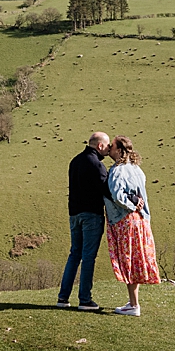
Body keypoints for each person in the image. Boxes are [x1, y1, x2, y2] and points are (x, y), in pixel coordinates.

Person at [102, 135, 160, 316]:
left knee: (128, 259)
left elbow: (117, 195)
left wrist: (130, 204)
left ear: (119, 151)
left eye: (112, 147)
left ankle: (134, 305)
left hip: (124, 219)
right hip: (140, 220)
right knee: (135, 258)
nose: (109, 149)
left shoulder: (117, 170)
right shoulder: (137, 169)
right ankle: (133, 302)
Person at [57, 131, 111, 311]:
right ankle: (85, 299)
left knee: (74, 255)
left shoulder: (75, 161)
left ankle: (63, 297)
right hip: (92, 215)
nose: (109, 149)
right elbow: (107, 191)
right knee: (88, 257)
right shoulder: (97, 165)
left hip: (74, 214)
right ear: (100, 146)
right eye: (107, 146)